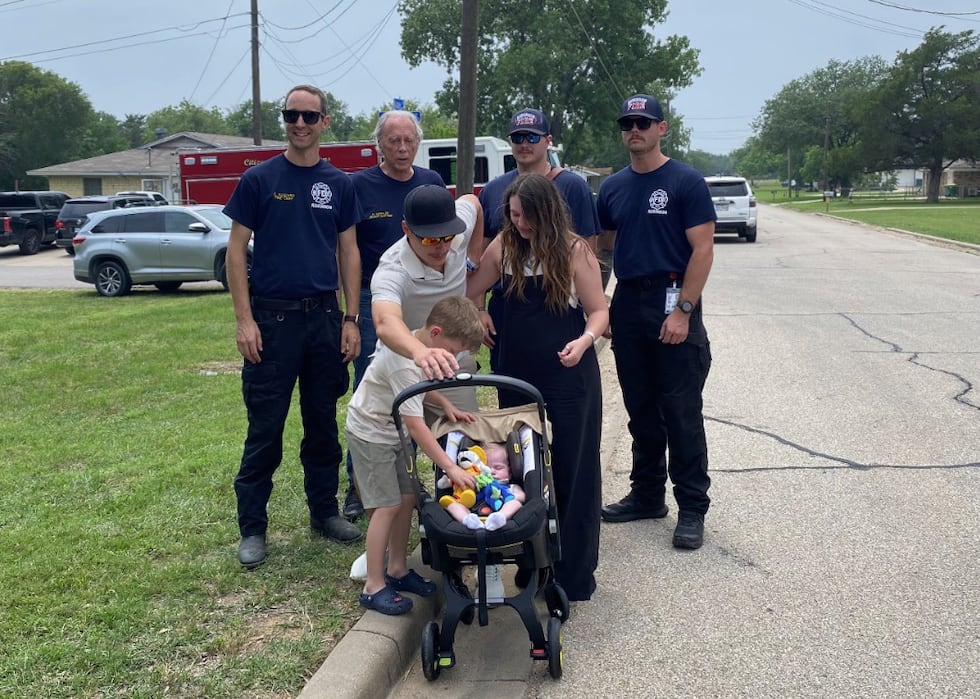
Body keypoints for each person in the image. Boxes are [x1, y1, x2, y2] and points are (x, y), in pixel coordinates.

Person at [224, 84, 363, 570]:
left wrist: (351, 317)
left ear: (325, 121)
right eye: (291, 115)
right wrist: (244, 320)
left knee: (322, 424)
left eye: (309, 116)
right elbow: (236, 250)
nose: (299, 123)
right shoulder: (259, 180)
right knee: (265, 427)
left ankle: (324, 512)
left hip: (324, 319)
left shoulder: (339, 184)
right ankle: (253, 529)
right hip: (272, 321)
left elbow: (348, 251)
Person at [467, 172, 608, 601]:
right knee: (526, 472)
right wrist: (480, 311)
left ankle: (573, 572)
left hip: (569, 378)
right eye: (513, 216)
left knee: (572, 471)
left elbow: (599, 311)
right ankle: (534, 561)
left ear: (548, 213)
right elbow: (471, 290)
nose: (521, 225)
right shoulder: (504, 247)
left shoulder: (574, 251)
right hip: (516, 379)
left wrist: (585, 341)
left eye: (528, 218)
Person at [595, 93, 715, 550]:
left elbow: (702, 251)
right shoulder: (613, 188)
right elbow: (603, 249)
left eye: (644, 122)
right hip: (629, 302)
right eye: (628, 123)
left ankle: (692, 508)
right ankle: (647, 495)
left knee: (680, 412)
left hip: (674, 299)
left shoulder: (685, 182)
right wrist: (600, 305)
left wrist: (683, 310)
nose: (635, 130)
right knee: (640, 409)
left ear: (662, 128)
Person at [345, 296, 485, 615]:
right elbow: (417, 425)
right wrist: (450, 467)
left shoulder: (417, 343)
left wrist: (445, 404)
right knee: (387, 504)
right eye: (452, 351)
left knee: (407, 499)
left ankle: (397, 569)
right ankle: (374, 585)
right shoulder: (403, 362)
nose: (451, 358)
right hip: (371, 433)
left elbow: (422, 385)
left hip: (391, 429)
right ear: (435, 333)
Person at [342, 110, 447, 521]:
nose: (401, 149)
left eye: (408, 141)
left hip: (424, 297)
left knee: (423, 383)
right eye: (393, 141)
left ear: (417, 143)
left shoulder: (432, 183)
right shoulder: (358, 187)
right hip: (377, 300)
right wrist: (349, 314)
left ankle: (410, 477)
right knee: (374, 389)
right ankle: (360, 485)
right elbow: (346, 252)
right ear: (378, 145)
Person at [477, 108, 602, 369]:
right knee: (514, 398)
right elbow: (481, 257)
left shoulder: (572, 186)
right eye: (518, 138)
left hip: (558, 301)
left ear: (548, 140)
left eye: (532, 138)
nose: (524, 144)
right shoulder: (493, 189)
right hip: (508, 306)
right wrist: (479, 309)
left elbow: (588, 249)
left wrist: (587, 312)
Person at [439, 443, 526, 532]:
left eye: (498, 467)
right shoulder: (473, 484)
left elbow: (522, 496)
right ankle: (467, 520)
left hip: (500, 510)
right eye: (486, 468)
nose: (491, 472)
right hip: (473, 514)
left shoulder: (510, 487)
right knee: (452, 505)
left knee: (515, 503)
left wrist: (510, 496)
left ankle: (500, 517)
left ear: (510, 472)